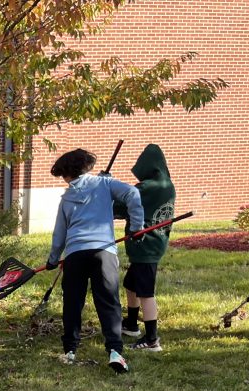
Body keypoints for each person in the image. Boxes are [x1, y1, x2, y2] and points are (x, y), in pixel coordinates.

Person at [46, 148, 144, 373]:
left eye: (64, 176)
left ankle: (69, 351)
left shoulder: (67, 198)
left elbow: (59, 234)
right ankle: (115, 351)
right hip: (104, 252)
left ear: (70, 173)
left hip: (75, 255)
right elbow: (132, 194)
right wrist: (136, 226)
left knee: (73, 302)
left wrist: (53, 259)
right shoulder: (105, 184)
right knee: (108, 301)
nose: (65, 181)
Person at [115, 144, 176, 352]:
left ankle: (151, 340)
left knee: (146, 293)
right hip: (155, 244)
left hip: (145, 245)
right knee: (131, 284)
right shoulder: (168, 185)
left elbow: (121, 206)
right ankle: (131, 325)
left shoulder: (146, 188)